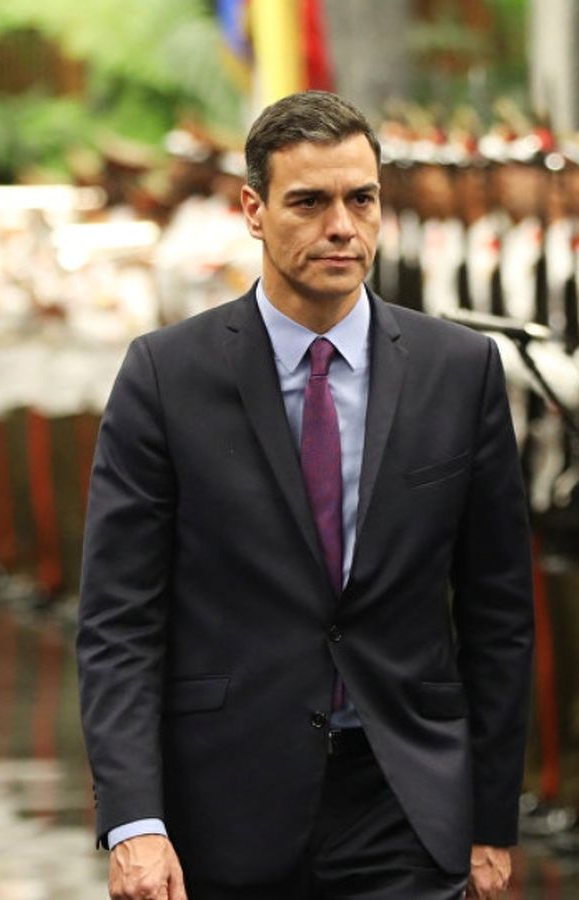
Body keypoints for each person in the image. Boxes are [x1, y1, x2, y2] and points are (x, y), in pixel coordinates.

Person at [77, 90, 535, 900]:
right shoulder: (167, 375)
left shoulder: (458, 372)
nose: (341, 226)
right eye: (310, 202)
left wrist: (492, 819)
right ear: (253, 210)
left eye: (361, 200)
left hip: (404, 798)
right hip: (223, 804)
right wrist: (134, 821)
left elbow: (500, 615)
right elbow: (119, 620)